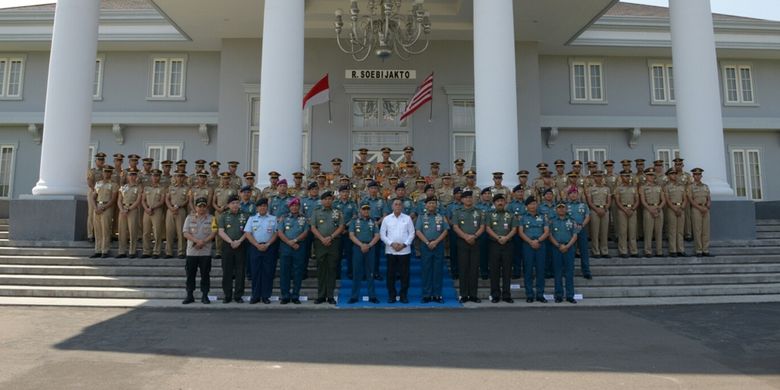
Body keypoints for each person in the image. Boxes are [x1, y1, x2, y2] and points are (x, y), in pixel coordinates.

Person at [310, 191, 345, 304]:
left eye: (330, 199)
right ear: (322, 200)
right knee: (321, 270)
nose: (327, 201)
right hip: (320, 243)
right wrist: (322, 238)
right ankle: (321, 295)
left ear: (332, 200)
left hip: (333, 243)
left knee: (332, 269)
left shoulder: (337, 212)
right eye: (325, 199)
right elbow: (313, 227)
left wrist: (330, 237)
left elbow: (341, 227)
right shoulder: (316, 212)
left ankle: (330, 296)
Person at [380, 198, 415, 304]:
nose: (398, 206)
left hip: (404, 251)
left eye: (400, 204)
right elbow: (382, 234)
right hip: (391, 251)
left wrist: (404, 244)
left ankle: (403, 295)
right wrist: (391, 243)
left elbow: (412, 233)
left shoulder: (408, 218)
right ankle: (392, 295)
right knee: (391, 274)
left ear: (402, 207)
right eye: (396, 204)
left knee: (405, 275)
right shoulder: (386, 219)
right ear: (392, 206)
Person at [182, 197, 217, 304]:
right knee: (190, 275)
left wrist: (203, 242)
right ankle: (189, 295)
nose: (201, 208)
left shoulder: (212, 218)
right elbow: (185, 232)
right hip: (192, 252)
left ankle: (205, 295)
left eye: (203, 206)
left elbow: (214, 232)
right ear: (196, 207)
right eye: (199, 206)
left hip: (205, 252)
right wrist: (197, 241)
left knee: (205, 275)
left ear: (206, 207)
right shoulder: (189, 218)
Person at [451, 190, 484, 303]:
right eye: (466, 198)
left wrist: (474, 236)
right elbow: (455, 227)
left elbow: (482, 226)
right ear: (462, 200)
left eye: (470, 197)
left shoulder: (479, 212)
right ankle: (464, 295)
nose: (469, 199)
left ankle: (473, 295)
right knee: (463, 269)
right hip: (462, 242)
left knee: (474, 269)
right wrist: (466, 237)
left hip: (476, 242)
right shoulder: (457, 212)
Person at [243, 198, 278, 304]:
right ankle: (255, 295)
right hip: (255, 247)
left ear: (267, 207)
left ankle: (266, 296)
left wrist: (267, 244)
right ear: (257, 208)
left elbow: (276, 233)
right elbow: (248, 233)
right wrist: (257, 244)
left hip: (269, 247)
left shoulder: (273, 218)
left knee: (268, 272)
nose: (262, 208)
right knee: (255, 272)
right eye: (260, 206)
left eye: (264, 206)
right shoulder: (252, 218)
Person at [415, 196, 449, 304]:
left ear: (436, 205)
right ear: (426, 205)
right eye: (429, 203)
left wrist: (436, 242)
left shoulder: (441, 216)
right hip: (426, 245)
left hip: (438, 245)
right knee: (426, 270)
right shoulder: (421, 217)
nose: (431, 205)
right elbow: (418, 231)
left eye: (433, 203)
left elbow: (445, 230)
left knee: (438, 271)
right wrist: (427, 242)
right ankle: (426, 295)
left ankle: (437, 295)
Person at [277, 197, 310, 304]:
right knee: (284, 272)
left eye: (296, 205)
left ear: (299, 207)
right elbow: (280, 232)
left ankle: (295, 295)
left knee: (298, 272)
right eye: (292, 206)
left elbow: (306, 231)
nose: (294, 207)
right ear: (289, 207)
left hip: (299, 247)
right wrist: (289, 242)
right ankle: (285, 295)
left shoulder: (304, 218)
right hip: (286, 247)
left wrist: (295, 240)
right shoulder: (284, 218)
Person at [484, 194, 516, 303]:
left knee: (507, 271)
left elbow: (514, 229)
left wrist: (506, 238)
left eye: (502, 200)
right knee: (494, 271)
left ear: (505, 202)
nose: (500, 203)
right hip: (494, 244)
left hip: (508, 244)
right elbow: (488, 228)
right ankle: (495, 294)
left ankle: (507, 295)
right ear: (494, 203)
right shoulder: (489, 215)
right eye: (498, 201)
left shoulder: (511, 215)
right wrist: (498, 238)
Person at [217, 195, 248, 303]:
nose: (235, 205)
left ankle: (238, 295)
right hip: (227, 246)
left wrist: (239, 241)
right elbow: (221, 231)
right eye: (233, 203)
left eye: (237, 203)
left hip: (241, 245)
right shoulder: (224, 216)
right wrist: (231, 242)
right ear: (229, 205)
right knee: (227, 271)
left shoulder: (245, 215)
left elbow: (247, 231)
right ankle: (227, 295)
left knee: (240, 272)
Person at [518, 196, 550, 303]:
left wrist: (538, 241)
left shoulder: (543, 217)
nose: (533, 206)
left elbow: (546, 231)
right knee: (528, 270)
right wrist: (531, 242)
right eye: (531, 204)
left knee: (540, 270)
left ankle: (540, 294)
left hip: (540, 245)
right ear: (526, 206)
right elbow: (521, 232)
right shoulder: (522, 218)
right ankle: (529, 294)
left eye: (535, 203)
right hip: (528, 245)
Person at [348, 203, 381, 304]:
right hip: (358, 248)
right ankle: (354, 296)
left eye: (367, 209)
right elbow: (351, 235)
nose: (366, 211)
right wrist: (361, 245)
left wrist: (369, 245)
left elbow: (377, 235)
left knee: (370, 272)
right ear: (360, 210)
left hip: (370, 248)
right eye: (364, 209)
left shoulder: (373, 221)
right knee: (356, 272)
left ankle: (372, 296)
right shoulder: (354, 221)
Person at [548, 202, 579, 304]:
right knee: (558, 272)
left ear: (566, 210)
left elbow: (574, 235)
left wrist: (567, 246)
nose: (561, 210)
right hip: (556, 248)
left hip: (569, 248)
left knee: (569, 272)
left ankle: (570, 295)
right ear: (556, 210)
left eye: (563, 208)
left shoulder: (572, 221)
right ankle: (558, 295)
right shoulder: (552, 222)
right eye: (559, 208)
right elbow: (550, 235)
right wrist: (558, 245)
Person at [565, 186, 592, 279]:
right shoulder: (565, 205)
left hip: (581, 230)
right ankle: (569, 271)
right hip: (570, 231)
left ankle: (586, 271)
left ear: (578, 194)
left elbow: (587, 216)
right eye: (571, 193)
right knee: (570, 252)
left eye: (575, 193)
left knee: (584, 251)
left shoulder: (583, 205)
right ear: (568, 195)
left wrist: (582, 225)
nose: (573, 195)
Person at [91, 166, 118, 258]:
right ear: (102, 173)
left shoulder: (114, 184)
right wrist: (95, 207)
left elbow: (113, 199)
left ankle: (105, 250)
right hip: (98, 206)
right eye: (105, 172)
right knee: (97, 230)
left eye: (108, 172)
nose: (106, 173)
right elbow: (93, 197)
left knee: (105, 229)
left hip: (107, 207)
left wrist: (104, 207)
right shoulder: (98, 183)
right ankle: (97, 250)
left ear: (111, 173)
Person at [117, 168, 142, 258]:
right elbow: (119, 200)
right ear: (127, 176)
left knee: (132, 230)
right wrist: (122, 209)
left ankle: (132, 251)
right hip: (123, 209)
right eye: (130, 175)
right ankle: (122, 251)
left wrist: (129, 209)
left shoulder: (138, 187)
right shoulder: (123, 187)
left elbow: (138, 200)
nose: (132, 177)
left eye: (134, 175)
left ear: (136, 176)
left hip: (132, 209)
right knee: (122, 231)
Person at [640, 169, 665, 257]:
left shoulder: (659, 187)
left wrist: (659, 208)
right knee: (648, 231)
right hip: (648, 209)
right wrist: (650, 209)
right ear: (646, 176)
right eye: (649, 175)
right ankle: (648, 251)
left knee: (659, 231)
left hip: (658, 209)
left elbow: (663, 200)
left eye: (653, 175)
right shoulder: (643, 187)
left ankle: (659, 251)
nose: (651, 177)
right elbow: (643, 200)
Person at [688, 168, 713, 257]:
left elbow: (709, 197)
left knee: (706, 230)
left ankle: (705, 250)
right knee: (697, 230)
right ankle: (698, 250)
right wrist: (699, 208)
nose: (697, 176)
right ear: (693, 176)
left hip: (705, 208)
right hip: (696, 208)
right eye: (696, 174)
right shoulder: (690, 187)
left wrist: (708, 205)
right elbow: (690, 199)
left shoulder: (705, 186)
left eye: (699, 174)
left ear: (701, 176)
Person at [586, 171, 611, 258]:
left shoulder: (607, 189)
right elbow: (589, 201)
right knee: (595, 232)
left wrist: (605, 209)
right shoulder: (590, 189)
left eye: (600, 176)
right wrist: (597, 209)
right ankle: (595, 251)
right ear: (594, 178)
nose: (598, 178)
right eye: (596, 176)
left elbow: (609, 201)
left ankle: (604, 251)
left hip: (605, 210)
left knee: (604, 232)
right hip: (594, 210)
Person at [141, 169, 165, 259]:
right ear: (151, 177)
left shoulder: (162, 188)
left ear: (160, 177)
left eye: (157, 176)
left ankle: (156, 251)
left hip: (157, 210)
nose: (155, 178)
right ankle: (146, 251)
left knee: (157, 231)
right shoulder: (146, 188)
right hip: (147, 211)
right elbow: (143, 200)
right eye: (154, 176)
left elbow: (162, 201)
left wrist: (153, 208)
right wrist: (146, 208)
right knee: (146, 232)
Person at [615, 170, 639, 258]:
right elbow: (617, 201)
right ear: (621, 177)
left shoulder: (634, 188)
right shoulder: (618, 188)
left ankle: (634, 251)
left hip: (632, 209)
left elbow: (637, 200)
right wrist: (624, 209)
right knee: (623, 231)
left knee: (632, 231)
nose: (627, 178)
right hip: (622, 210)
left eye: (628, 176)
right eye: (625, 176)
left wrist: (632, 209)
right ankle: (623, 250)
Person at [165, 172, 189, 259]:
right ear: (175, 177)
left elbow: (187, 200)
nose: (180, 178)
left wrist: (179, 206)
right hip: (170, 210)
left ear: (184, 178)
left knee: (181, 232)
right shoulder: (170, 187)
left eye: (182, 176)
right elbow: (167, 199)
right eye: (178, 176)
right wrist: (171, 207)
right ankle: (168, 252)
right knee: (169, 232)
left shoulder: (187, 188)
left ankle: (181, 251)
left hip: (181, 210)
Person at [664, 168, 687, 257]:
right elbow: (667, 199)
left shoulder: (681, 186)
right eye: (672, 174)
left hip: (681, 208)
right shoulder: (666, 186)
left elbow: (685, 198)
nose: (674, 175)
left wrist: (681, 208)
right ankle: (673, 250)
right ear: (668, 176)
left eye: (675, 173)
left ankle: (680, 249)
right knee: (672, 230)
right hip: (672, 208)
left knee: (680, 231)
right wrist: (674, 208)